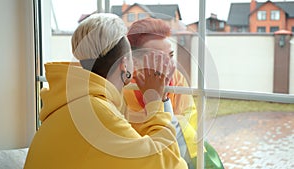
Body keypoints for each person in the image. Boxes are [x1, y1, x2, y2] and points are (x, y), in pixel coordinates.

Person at [24, 13, 187, 169]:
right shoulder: (99, 113)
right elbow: (169, 163)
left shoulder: (70, 104)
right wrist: (154, 100)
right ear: (125, 64)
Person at [124, 18, 224, 169]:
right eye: (158, 59)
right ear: (135, 63)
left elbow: (189, 126)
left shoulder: (176, 79)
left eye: (170, 56)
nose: (169, 65)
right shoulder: (123, 90)